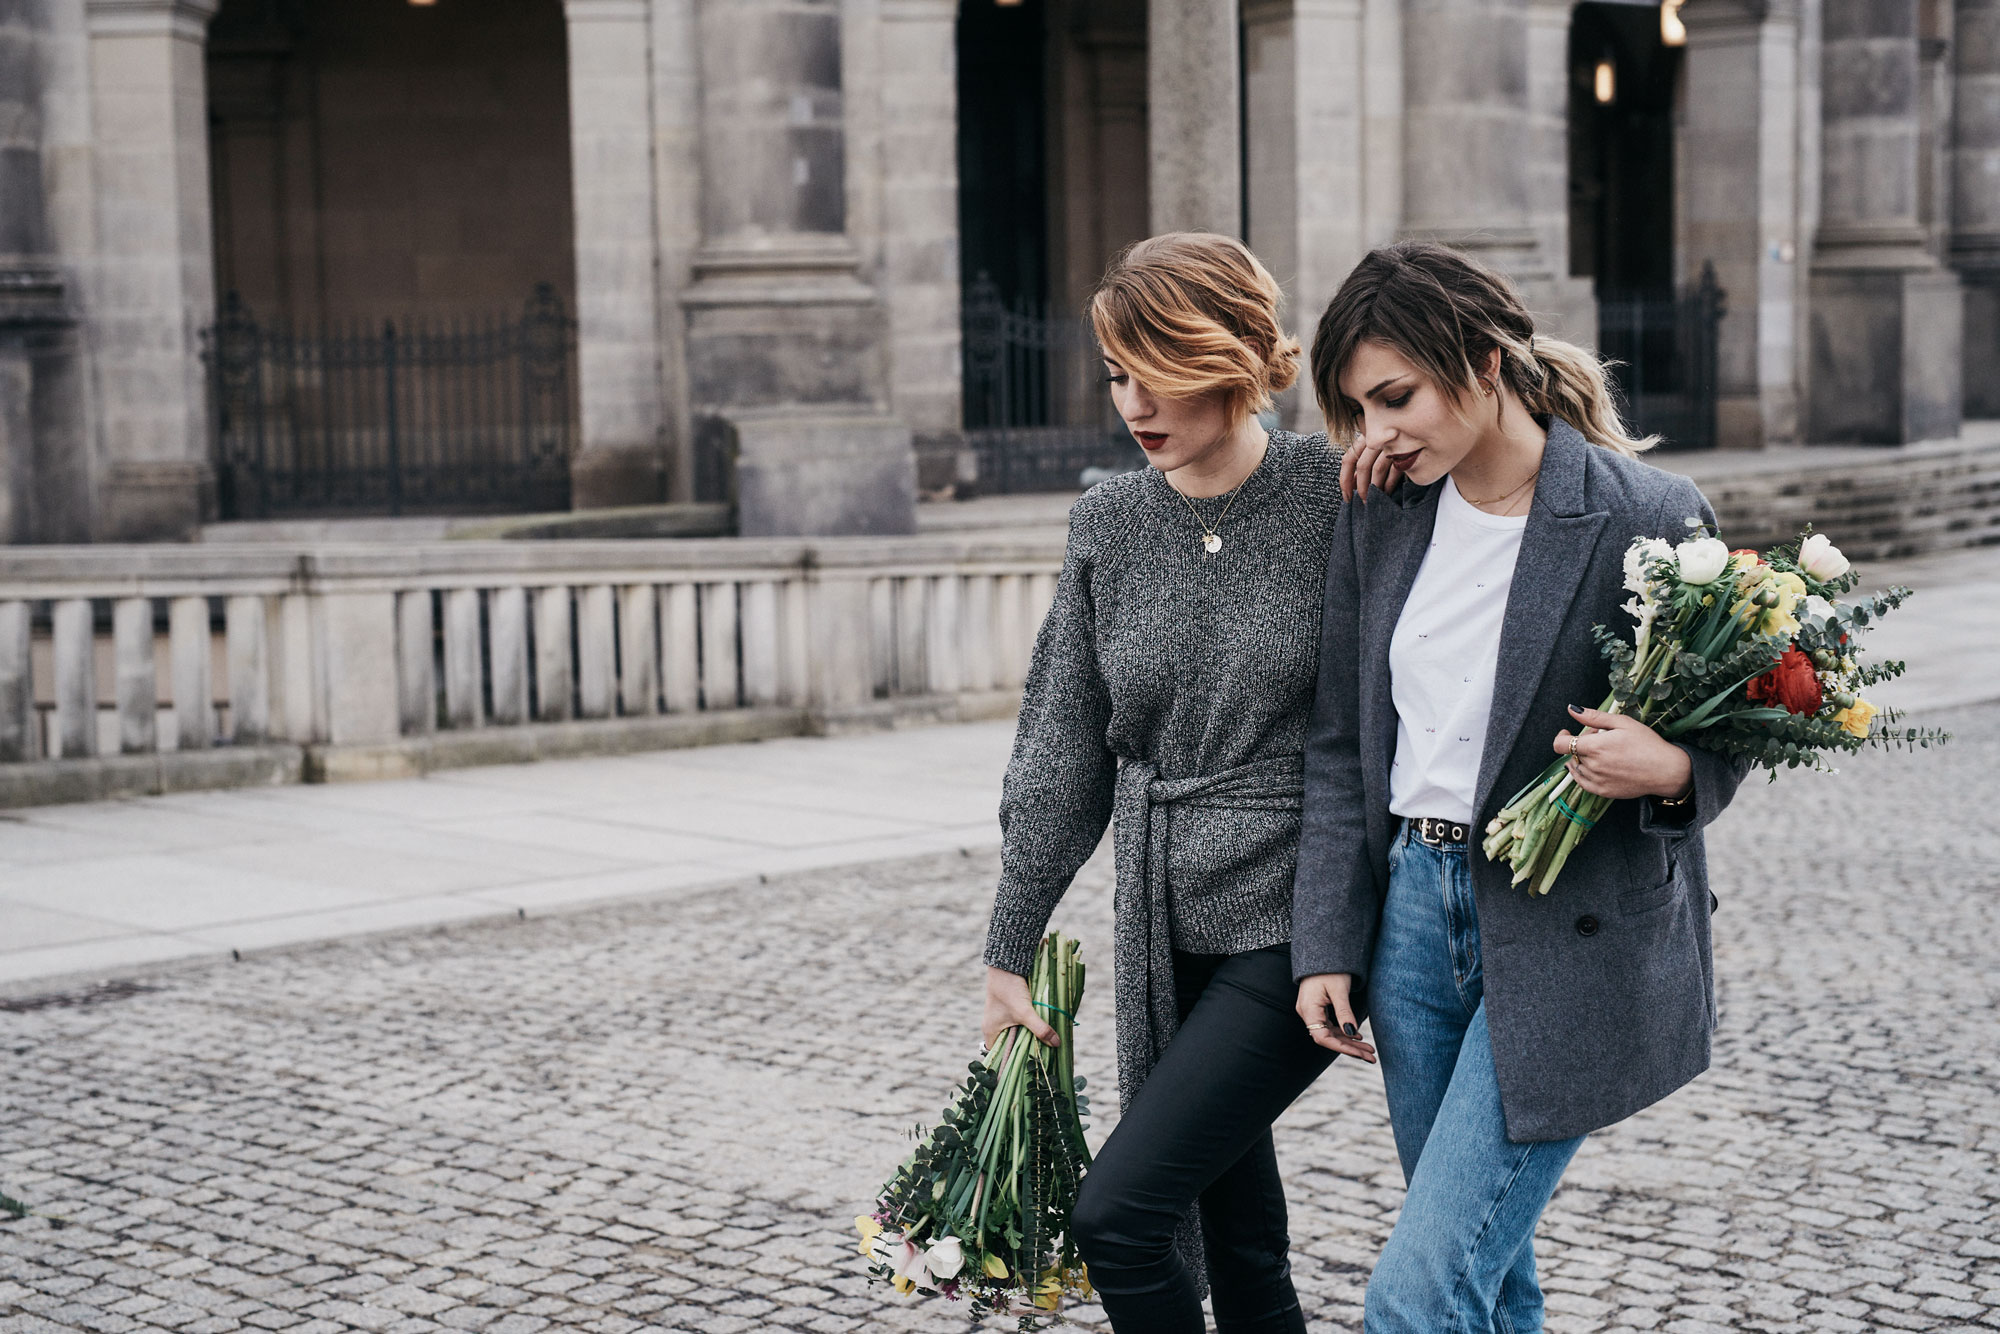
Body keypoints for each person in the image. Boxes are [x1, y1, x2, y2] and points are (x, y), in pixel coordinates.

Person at [1290, 241, 1748, 1334]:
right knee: (1489, 1275)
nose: (1375, 431)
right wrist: (1324, 938)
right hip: (1410, 913)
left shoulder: (1644, 512)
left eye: (1393, 396)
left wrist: (1671, 767)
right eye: (1356, 406)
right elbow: (1341, 745)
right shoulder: (1380, 507)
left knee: (1418, 1288)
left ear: (1485, 362)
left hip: (1569, 924)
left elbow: (1726, 724)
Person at [981, 232, 1363, 1334]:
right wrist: (1009, 941)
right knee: (1239, 1237)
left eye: (1163, 366)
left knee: (1121, 1215)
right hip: (1162, 917)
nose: (1135, 401)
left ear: (1238, 355)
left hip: (1298, 923)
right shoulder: (1105, 519)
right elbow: (1062, 747)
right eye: (1116, 372)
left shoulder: (1336, 495)